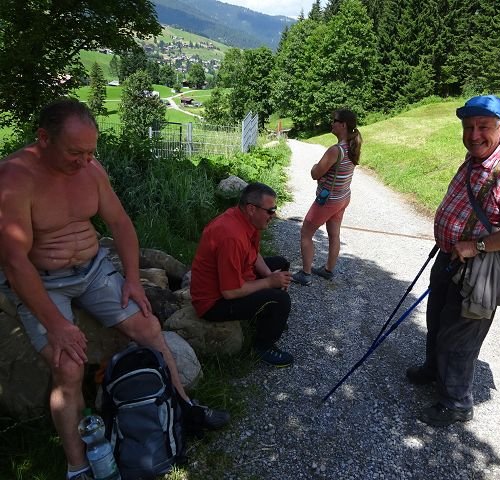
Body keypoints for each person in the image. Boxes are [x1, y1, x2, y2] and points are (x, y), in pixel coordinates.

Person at [0, 98, 229, 480]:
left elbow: (120, 224)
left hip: (93, 271)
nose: (85, 161)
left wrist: (134, 281)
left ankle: (184, 408)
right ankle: (77, 466)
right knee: (68, 366)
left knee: (149, 327)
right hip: (42, 279)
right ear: (43, 138)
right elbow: (14, 262)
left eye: (91, 151)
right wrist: (56, 325)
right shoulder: (14, 179)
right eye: (75, 152)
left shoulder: (90, 170)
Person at [406, 95, 500, 426]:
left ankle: (456, 403)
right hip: (449, 258)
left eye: (483, 126)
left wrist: (476, 245)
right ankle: (434, 370)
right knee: (438, 320)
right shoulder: (475, 158)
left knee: (459, 336)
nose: (474, 134)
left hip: (479, 268)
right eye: (468, 127)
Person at [190, 182, 294, 367]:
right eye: (270, 211)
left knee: (280, 264)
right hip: (214, 303)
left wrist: (269, 275)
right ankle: (263, 347)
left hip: (234, 281)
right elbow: (230, 292)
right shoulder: (232, 237)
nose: (273, 215)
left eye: (274, 210)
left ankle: (268, 317)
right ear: (252, 209)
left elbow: (253, 254)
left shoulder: (244, 219)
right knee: (281, 300)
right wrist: (269, 283)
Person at [292, 109, 362, 286]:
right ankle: (328, 270)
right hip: (343, 197)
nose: (332, 123)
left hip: (328, 201)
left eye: (334, 121)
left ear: (343, 125)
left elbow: (315, 173)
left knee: (306, 233)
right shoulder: (352, 147)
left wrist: (315, 165)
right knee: (334, 234)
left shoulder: (335, 150)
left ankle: (305, 274)